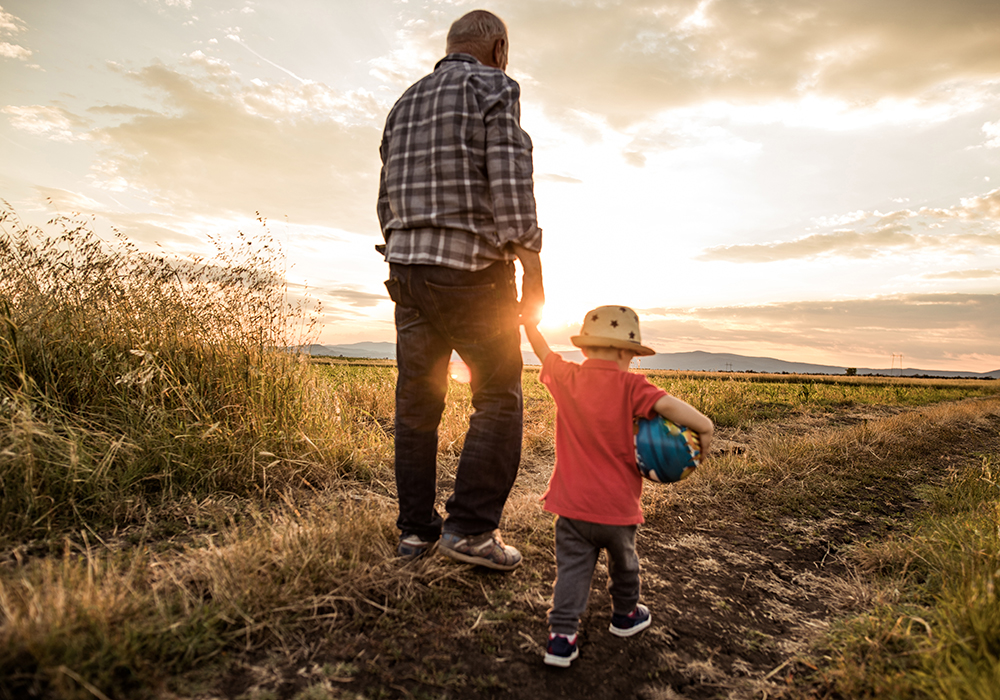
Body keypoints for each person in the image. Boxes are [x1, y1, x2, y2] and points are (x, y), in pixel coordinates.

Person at [376, 10, 544, 570]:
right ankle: (470, 530)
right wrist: (532, 269)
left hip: (407, 272)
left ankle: (416, 534)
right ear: (498, 47)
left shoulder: (405, 102)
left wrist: (403, 251)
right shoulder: (494, 86)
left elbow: (385, 197)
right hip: (471, 273)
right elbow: (511, 177)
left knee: (417, 403)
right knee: (498, 395)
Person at [522, 306, 714, 667]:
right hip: (618, 508)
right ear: (628, 353)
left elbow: (542, 352)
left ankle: (561, 638)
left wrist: (530, 326)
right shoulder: (632, 386)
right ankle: (625, 615)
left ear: (585, 349)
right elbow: (671, 407)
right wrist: (704, 427)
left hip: (571, 505)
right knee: (625, 564)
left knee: (572, 572)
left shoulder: (568, 378)